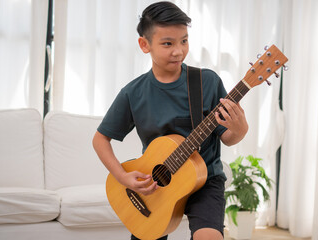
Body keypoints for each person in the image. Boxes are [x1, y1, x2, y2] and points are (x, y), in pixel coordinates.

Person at [92, 1, 248, 240]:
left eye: (184, 41)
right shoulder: (133, 93)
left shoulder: (206, 82)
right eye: (168, 43)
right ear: (145, 45)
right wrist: (122, 177)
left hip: (205, 180)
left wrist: (240, 129)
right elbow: (100, 139)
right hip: (154, 187)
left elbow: (228, 138)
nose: (179, 51)